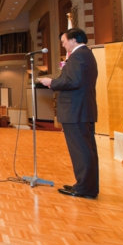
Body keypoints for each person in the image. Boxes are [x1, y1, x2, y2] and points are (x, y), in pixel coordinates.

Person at [39, 28, 99, 199]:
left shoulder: (78, 56)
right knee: (86, 149)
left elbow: (74, 81)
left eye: (64, 41)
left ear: (73, 40)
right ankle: (86, 186)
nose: (63, 45)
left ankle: (83, 188)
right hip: (82, 109)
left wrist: (52, 82)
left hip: (76, 110)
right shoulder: (87, 54)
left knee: (80, 150)